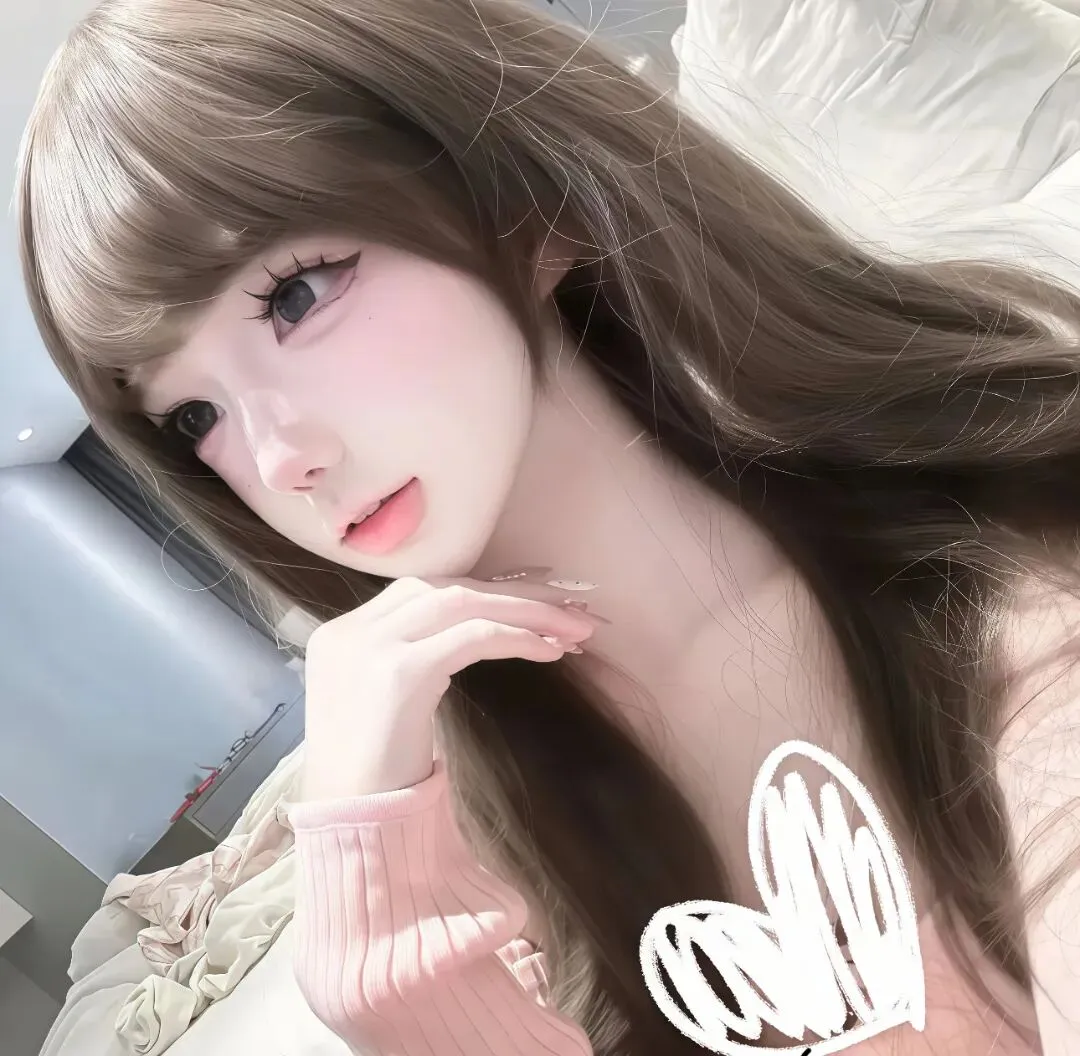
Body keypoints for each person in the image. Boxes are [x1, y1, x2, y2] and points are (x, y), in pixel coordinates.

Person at [16, 0, 1080, 1052]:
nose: (278, 459)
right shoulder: (474, 802)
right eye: (194, 416)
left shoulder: (1008, 600)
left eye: (295, 296)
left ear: (528, 205)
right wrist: (387, 968)